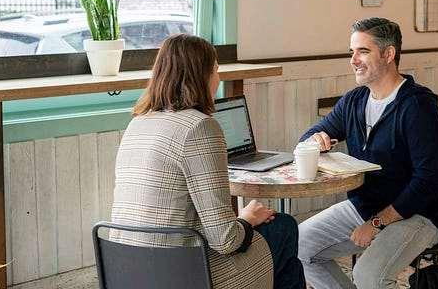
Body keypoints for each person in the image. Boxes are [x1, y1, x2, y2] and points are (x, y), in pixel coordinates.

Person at [110, 34, 305, 289]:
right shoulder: (200, 127)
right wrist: (246, 219)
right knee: (283, 227)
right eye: (216, 70)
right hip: (179, 275)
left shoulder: (138, 123)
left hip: (125, 272)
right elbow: (225, 240)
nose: (218, 79)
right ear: (201, 76)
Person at [298, 18, 438, 289]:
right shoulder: (354, 100)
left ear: (388, 54)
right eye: (352, 52)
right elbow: (308, 137)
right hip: (364, 206)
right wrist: (314, 140)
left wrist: (376, 223)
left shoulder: (418, 106)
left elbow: (428, 181)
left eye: (363, 51)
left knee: (369, 275)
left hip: (418, 214)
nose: (353, 60)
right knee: (299, 246)